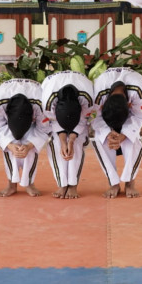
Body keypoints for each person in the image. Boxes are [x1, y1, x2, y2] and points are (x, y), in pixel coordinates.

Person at [91, 67, 142, 199]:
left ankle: (130, 182)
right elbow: (95, 118)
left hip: (130, 113)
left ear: (129, 106)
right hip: (107, 114)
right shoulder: (97, 95)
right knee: (101, 139)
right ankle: (113, 183)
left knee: (132, 139)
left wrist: (124, 134)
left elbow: (140, 117)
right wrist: (108, 133)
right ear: (103, 104)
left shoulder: (139, 92)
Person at [41, 71, 95, 199]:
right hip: (53, 88)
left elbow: (83, 120)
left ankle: (73, 184)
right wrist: (63, 141)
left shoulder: (87, 101)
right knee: (56, 143)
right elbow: (53, 121)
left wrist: (71, 140)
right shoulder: (48, 104)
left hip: (80, 88)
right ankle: (62, 184)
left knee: (77, 142)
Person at [0, 78, 50, 197]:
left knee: (31, 146)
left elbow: (44, 129)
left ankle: (30, 183)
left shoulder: (41, 104)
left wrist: (29, 146)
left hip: (32, 99)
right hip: (7, 107)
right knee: (11, 145)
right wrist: (9, 145)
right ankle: (11, 184)